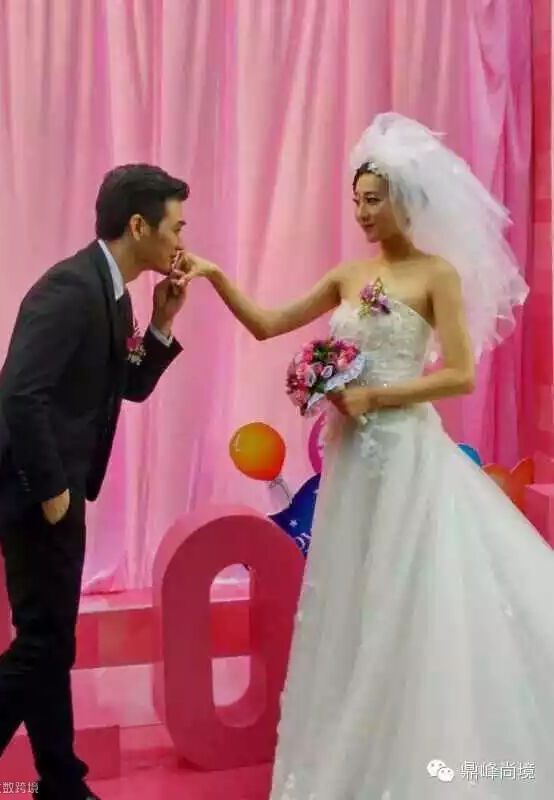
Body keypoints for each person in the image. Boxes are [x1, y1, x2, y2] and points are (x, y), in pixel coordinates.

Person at [176, 114, 554, 798]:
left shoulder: (436, 275)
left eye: (373, 199)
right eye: (356, 200)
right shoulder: (348, 274)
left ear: (405, 200)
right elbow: (267, 323)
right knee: (353, 596)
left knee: (408, 597)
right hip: (352, 459)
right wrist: (215, 275)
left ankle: (424, 759)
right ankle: (362, 752)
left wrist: (377, 397)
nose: (362, 213)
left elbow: (460, 375)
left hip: (407, 453)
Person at [0, 164, 191, 800]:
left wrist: (162, 323)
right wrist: (54, 492)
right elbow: (23, 396)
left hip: (52, 484)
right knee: (42, 644)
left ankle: (61, 781)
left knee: (48, 640)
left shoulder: (112, 291)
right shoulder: (69, 288)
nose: (182, 241)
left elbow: (130, 386)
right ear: (139, 225)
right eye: (176, 227)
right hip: (35, 486)